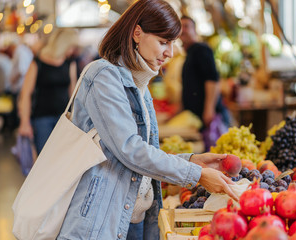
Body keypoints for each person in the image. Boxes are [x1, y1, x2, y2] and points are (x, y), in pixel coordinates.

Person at [56, 1, 237, 239]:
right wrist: (195, 174)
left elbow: (142, 155)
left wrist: (193, 160)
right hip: (99, 222)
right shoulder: (103, 76)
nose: (170, 53)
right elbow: (129, 149)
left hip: (132, 218)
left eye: (173, 43)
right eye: (163, 42)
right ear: (137, 33)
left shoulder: (140, 85)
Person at [18, 28, 78, 154]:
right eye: (71, 46)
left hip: (64, 118)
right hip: (42, 118)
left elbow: (73, 92)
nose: (72, 50)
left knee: (62, 157)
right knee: (44, 157)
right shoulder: (37, 63)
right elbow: (26, 94)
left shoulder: (70, 63)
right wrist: (24, 122)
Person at [180, 16, 231, 130]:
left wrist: (209, 109)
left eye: (186, 26)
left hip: (211, 117)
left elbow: (212, 79)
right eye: (180, 27)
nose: (182, 30)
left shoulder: (201, 49)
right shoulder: (190, 53)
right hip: (198, 117)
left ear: (195, 30)